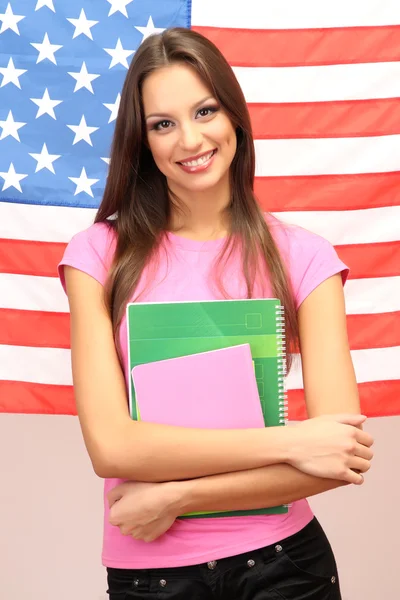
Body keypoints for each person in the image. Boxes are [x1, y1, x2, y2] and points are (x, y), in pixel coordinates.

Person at [58, 27, 374, 600]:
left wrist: (176, 495)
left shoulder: (305, 256)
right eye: (163, 123)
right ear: (143, 139)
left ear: (234, 117)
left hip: (287, 566)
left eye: (205, 110)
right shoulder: (97, 255)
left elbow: (338, 455)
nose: (190, 139)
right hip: (150, 576)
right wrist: (291, 442)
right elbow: (111, 447)